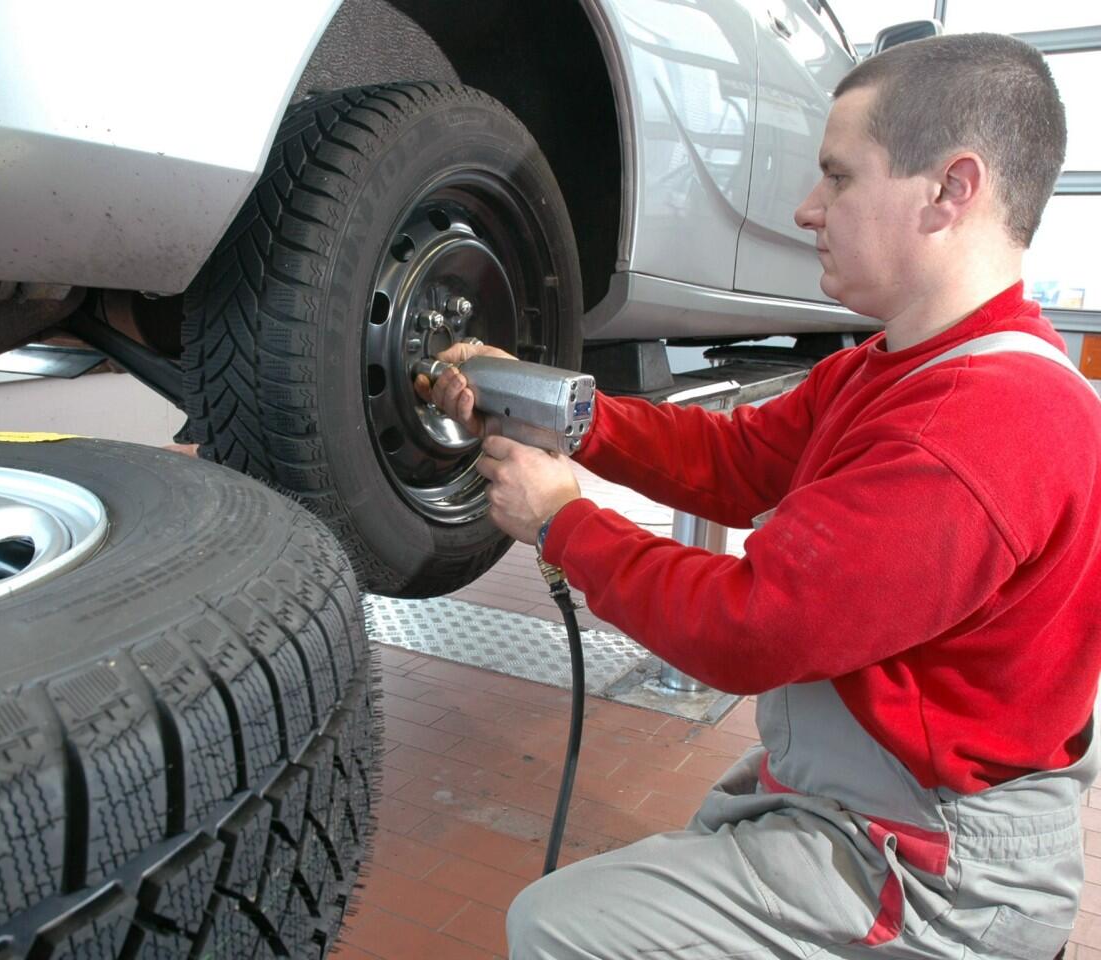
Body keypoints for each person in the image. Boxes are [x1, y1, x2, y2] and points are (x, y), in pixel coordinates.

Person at [417, 32, 1101, 960]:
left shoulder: (978, 426)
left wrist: (563, 522)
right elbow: (734, 462)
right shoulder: (895, 367)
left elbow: (751, 625)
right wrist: (564, 412)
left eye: (839, 177)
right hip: (869, 797)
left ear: (951, 189)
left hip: (936, 871)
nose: (807, 209)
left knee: (559, 929)